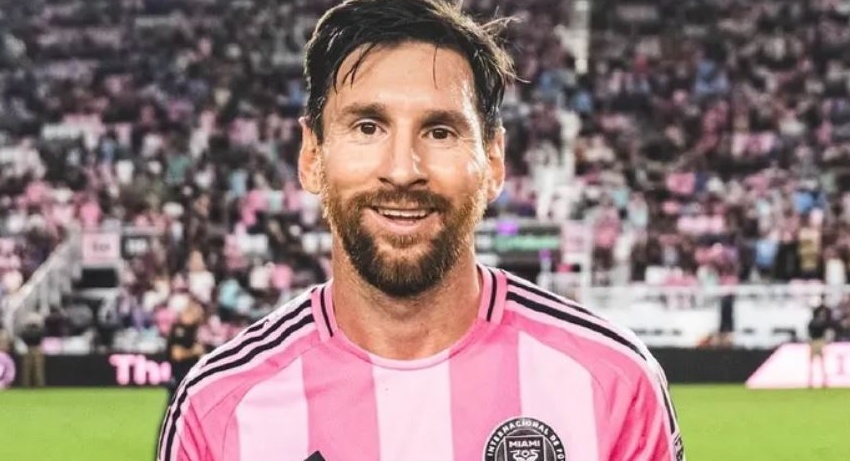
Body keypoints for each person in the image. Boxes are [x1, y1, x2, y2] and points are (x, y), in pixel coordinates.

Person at [157, 1, 684, 460]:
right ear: (312, 155)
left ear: (493, 161)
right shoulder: (219, 408)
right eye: (367, 127)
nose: (403, 169)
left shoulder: (612, 383)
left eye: (440, 131)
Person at [165, 300, 206, 402]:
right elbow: (177, 354)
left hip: (190, 378)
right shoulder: (179, 330)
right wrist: (193, 352)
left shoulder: (192, 330)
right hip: (181, 377)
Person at [807, 297, 834, 388]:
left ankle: (811, 382)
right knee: (822, 363)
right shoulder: (822, 322)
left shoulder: (811, 322)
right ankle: (824, 381)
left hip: (814, 342)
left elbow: (809, 334)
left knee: (812, 363)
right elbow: (826, 332)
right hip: (820, 342)